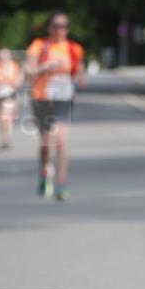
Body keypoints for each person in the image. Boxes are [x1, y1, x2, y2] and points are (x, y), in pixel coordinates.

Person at [25, 12, 85, 201]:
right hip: (42, 97)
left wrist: (77, 78)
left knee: (61, 140)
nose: (61, 29)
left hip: (63, 98)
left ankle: (60, 183)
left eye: (64, 26)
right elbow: (28, 71)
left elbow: (79, 73)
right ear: (49, 27)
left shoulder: (74, 48)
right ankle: (44, 172)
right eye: (57, 25)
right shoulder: (38, 46)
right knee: (45, 143)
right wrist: (45, 67)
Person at [0, 48, 23, 150]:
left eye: (5, 55)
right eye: (1, 55)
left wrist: (13, 83)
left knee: (5, 117)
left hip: (9, 95)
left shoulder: (14, 66)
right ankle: (3, 139)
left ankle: (7, 139)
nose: (3, 57)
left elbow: (18, 81)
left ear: (9, 56)